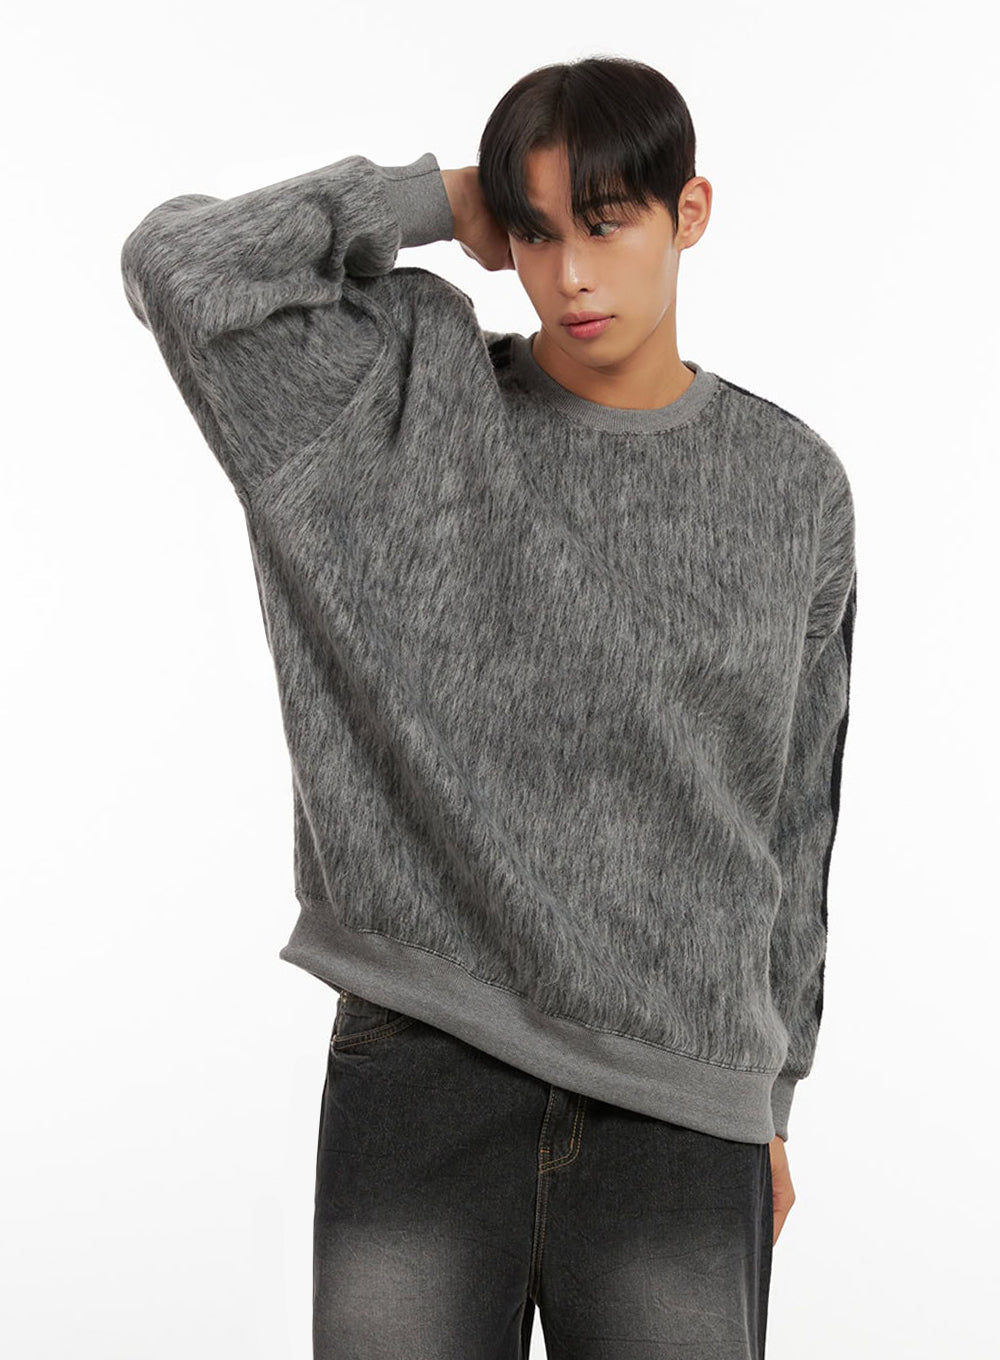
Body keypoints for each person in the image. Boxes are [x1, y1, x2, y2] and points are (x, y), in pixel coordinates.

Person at [121, 54, 857, 1360]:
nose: (569, 273)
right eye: (535, 230)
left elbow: (797, 816)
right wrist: (431, 197)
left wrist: (777, 1098)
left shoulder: (792, 485)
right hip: (425, 1067)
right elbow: (180, 270)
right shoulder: (395, 404)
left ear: (689, 214)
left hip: (684, 1103)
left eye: (606, 223)